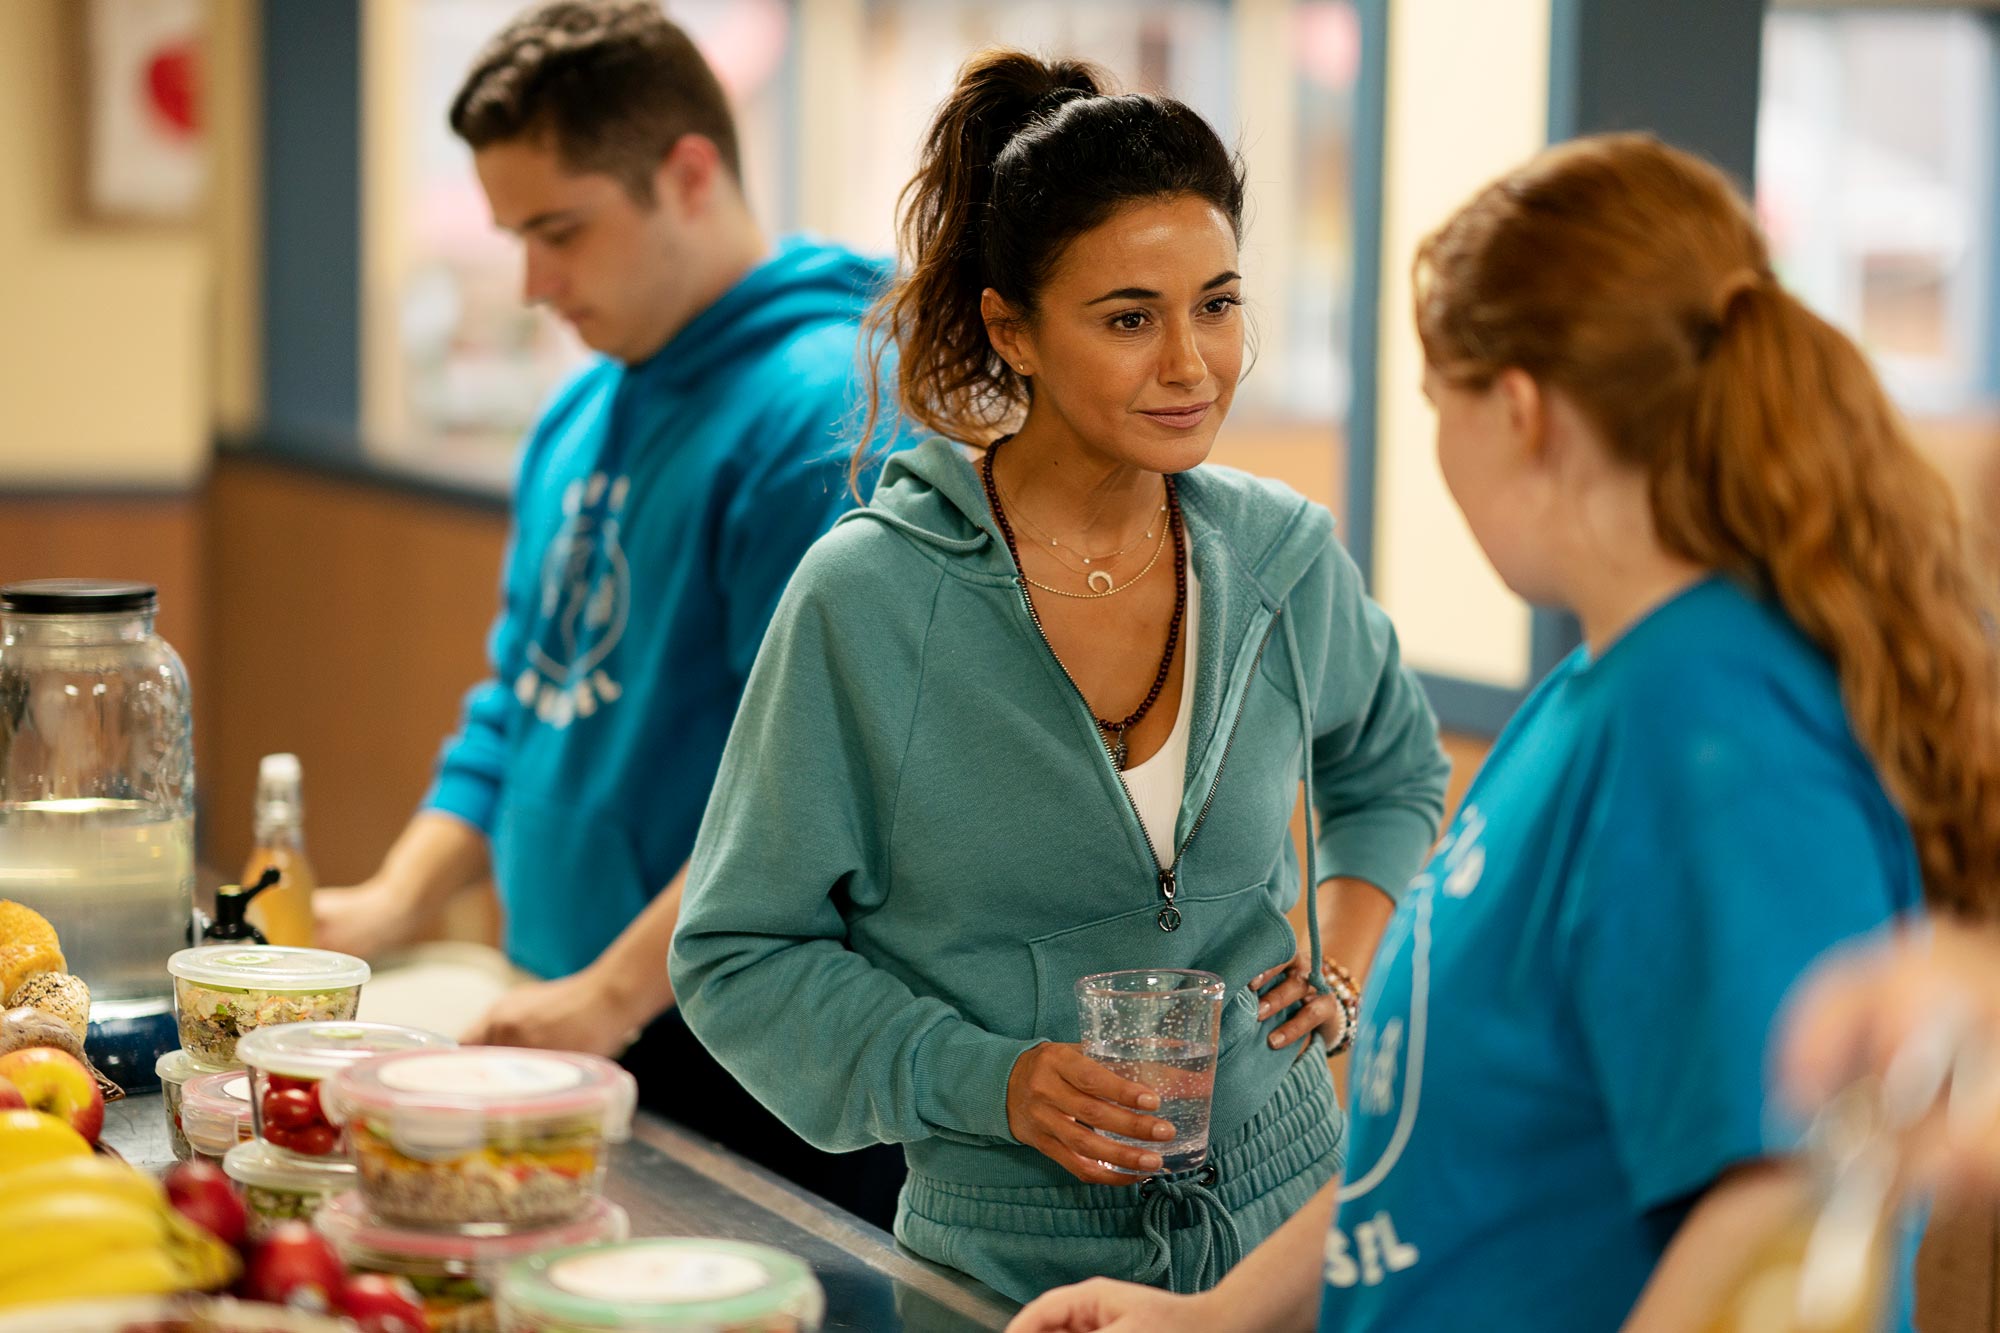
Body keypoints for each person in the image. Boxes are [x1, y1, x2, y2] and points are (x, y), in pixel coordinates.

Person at [1009, 132, 2000, 1332]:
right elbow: (1443, 1162)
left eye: (1438, 406)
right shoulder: (1597, 693)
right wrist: (1207, 1317)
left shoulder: (1712, 733)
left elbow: (1769, 1216)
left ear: (1518, 412)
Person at [669, 51, 1450, 1305]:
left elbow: (1392, 767)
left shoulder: (1280, 557)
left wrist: (1342, 962)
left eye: (1218, 302)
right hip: (1004, 1265)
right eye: (1129, 318)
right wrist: (992, 1080)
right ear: (1008, 329)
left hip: (1292, 1234)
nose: (1192, 364)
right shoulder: (867, 599)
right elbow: (738, 951)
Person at [313, 0, 913, 1227]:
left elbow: (813, 794)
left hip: (745, 1053)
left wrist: (609, 994)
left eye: (560, 230)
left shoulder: (828, 413)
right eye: (513, 236)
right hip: (584, 1014)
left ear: (688, 174)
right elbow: (518, 701)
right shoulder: (582, 412)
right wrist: (387, 905)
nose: (533, 283)